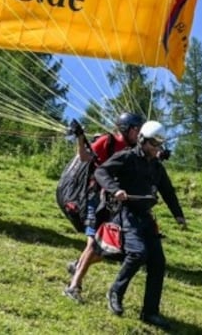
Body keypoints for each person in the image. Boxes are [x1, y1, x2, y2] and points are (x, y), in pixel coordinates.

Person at [94, 120, 186, 329]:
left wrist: (178, 215)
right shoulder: (127, 157)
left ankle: (150, 312)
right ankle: (115, 292)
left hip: (145, 216)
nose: (156, 149)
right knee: (137, 253)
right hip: (126, 213)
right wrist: (114, 189)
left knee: (158, 262)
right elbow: (101, 172)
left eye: (159, 145)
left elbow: (168, 191)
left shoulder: (156, 167)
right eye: (153, 144)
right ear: (142, 140)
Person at [63, 112, 144, 303]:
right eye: (136, 129)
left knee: (106, 250)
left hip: (115, 203)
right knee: (93, 244)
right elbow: (84, 158)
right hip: (96, 198)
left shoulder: (135, 150)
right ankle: (73, 287)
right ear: (126, 129)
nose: (139, 133)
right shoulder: (107, 142)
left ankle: (78, 265)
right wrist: (81, 138)